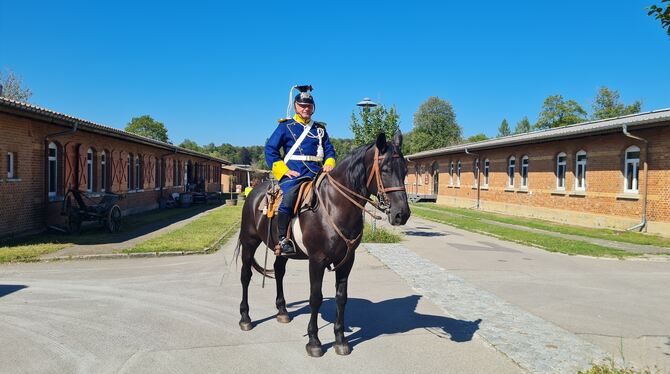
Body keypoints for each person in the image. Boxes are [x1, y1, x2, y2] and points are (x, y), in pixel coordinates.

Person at [265, 85, 336, 256]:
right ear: (296, 106)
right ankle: (283, 238)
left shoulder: (319, 129)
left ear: (313, 108)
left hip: (317, 173)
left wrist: (329, 163)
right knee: (289, 197)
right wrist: (283, 170)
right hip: (294, 173)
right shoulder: (285, 126)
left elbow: (330, 150)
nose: (305, 108)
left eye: (309, 106)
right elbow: (270, 149)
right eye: (302, 105)